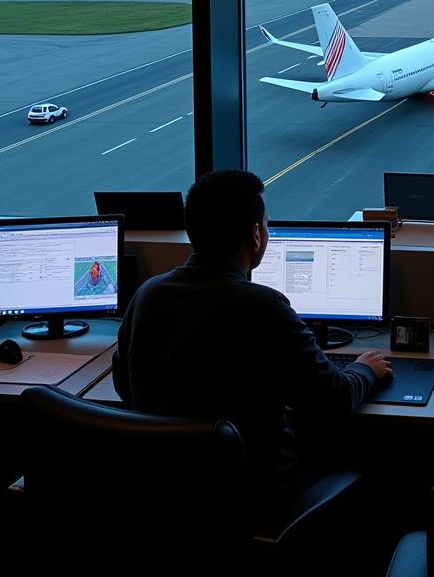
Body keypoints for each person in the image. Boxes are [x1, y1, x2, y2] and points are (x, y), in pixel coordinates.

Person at [112, 169, 391, 501]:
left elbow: (124, 384)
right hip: (257, 495)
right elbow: (334, 399)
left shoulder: (147, 294)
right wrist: (364, 369)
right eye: (267, 225)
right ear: (256, 235)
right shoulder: (264, 306)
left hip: (167, 490)